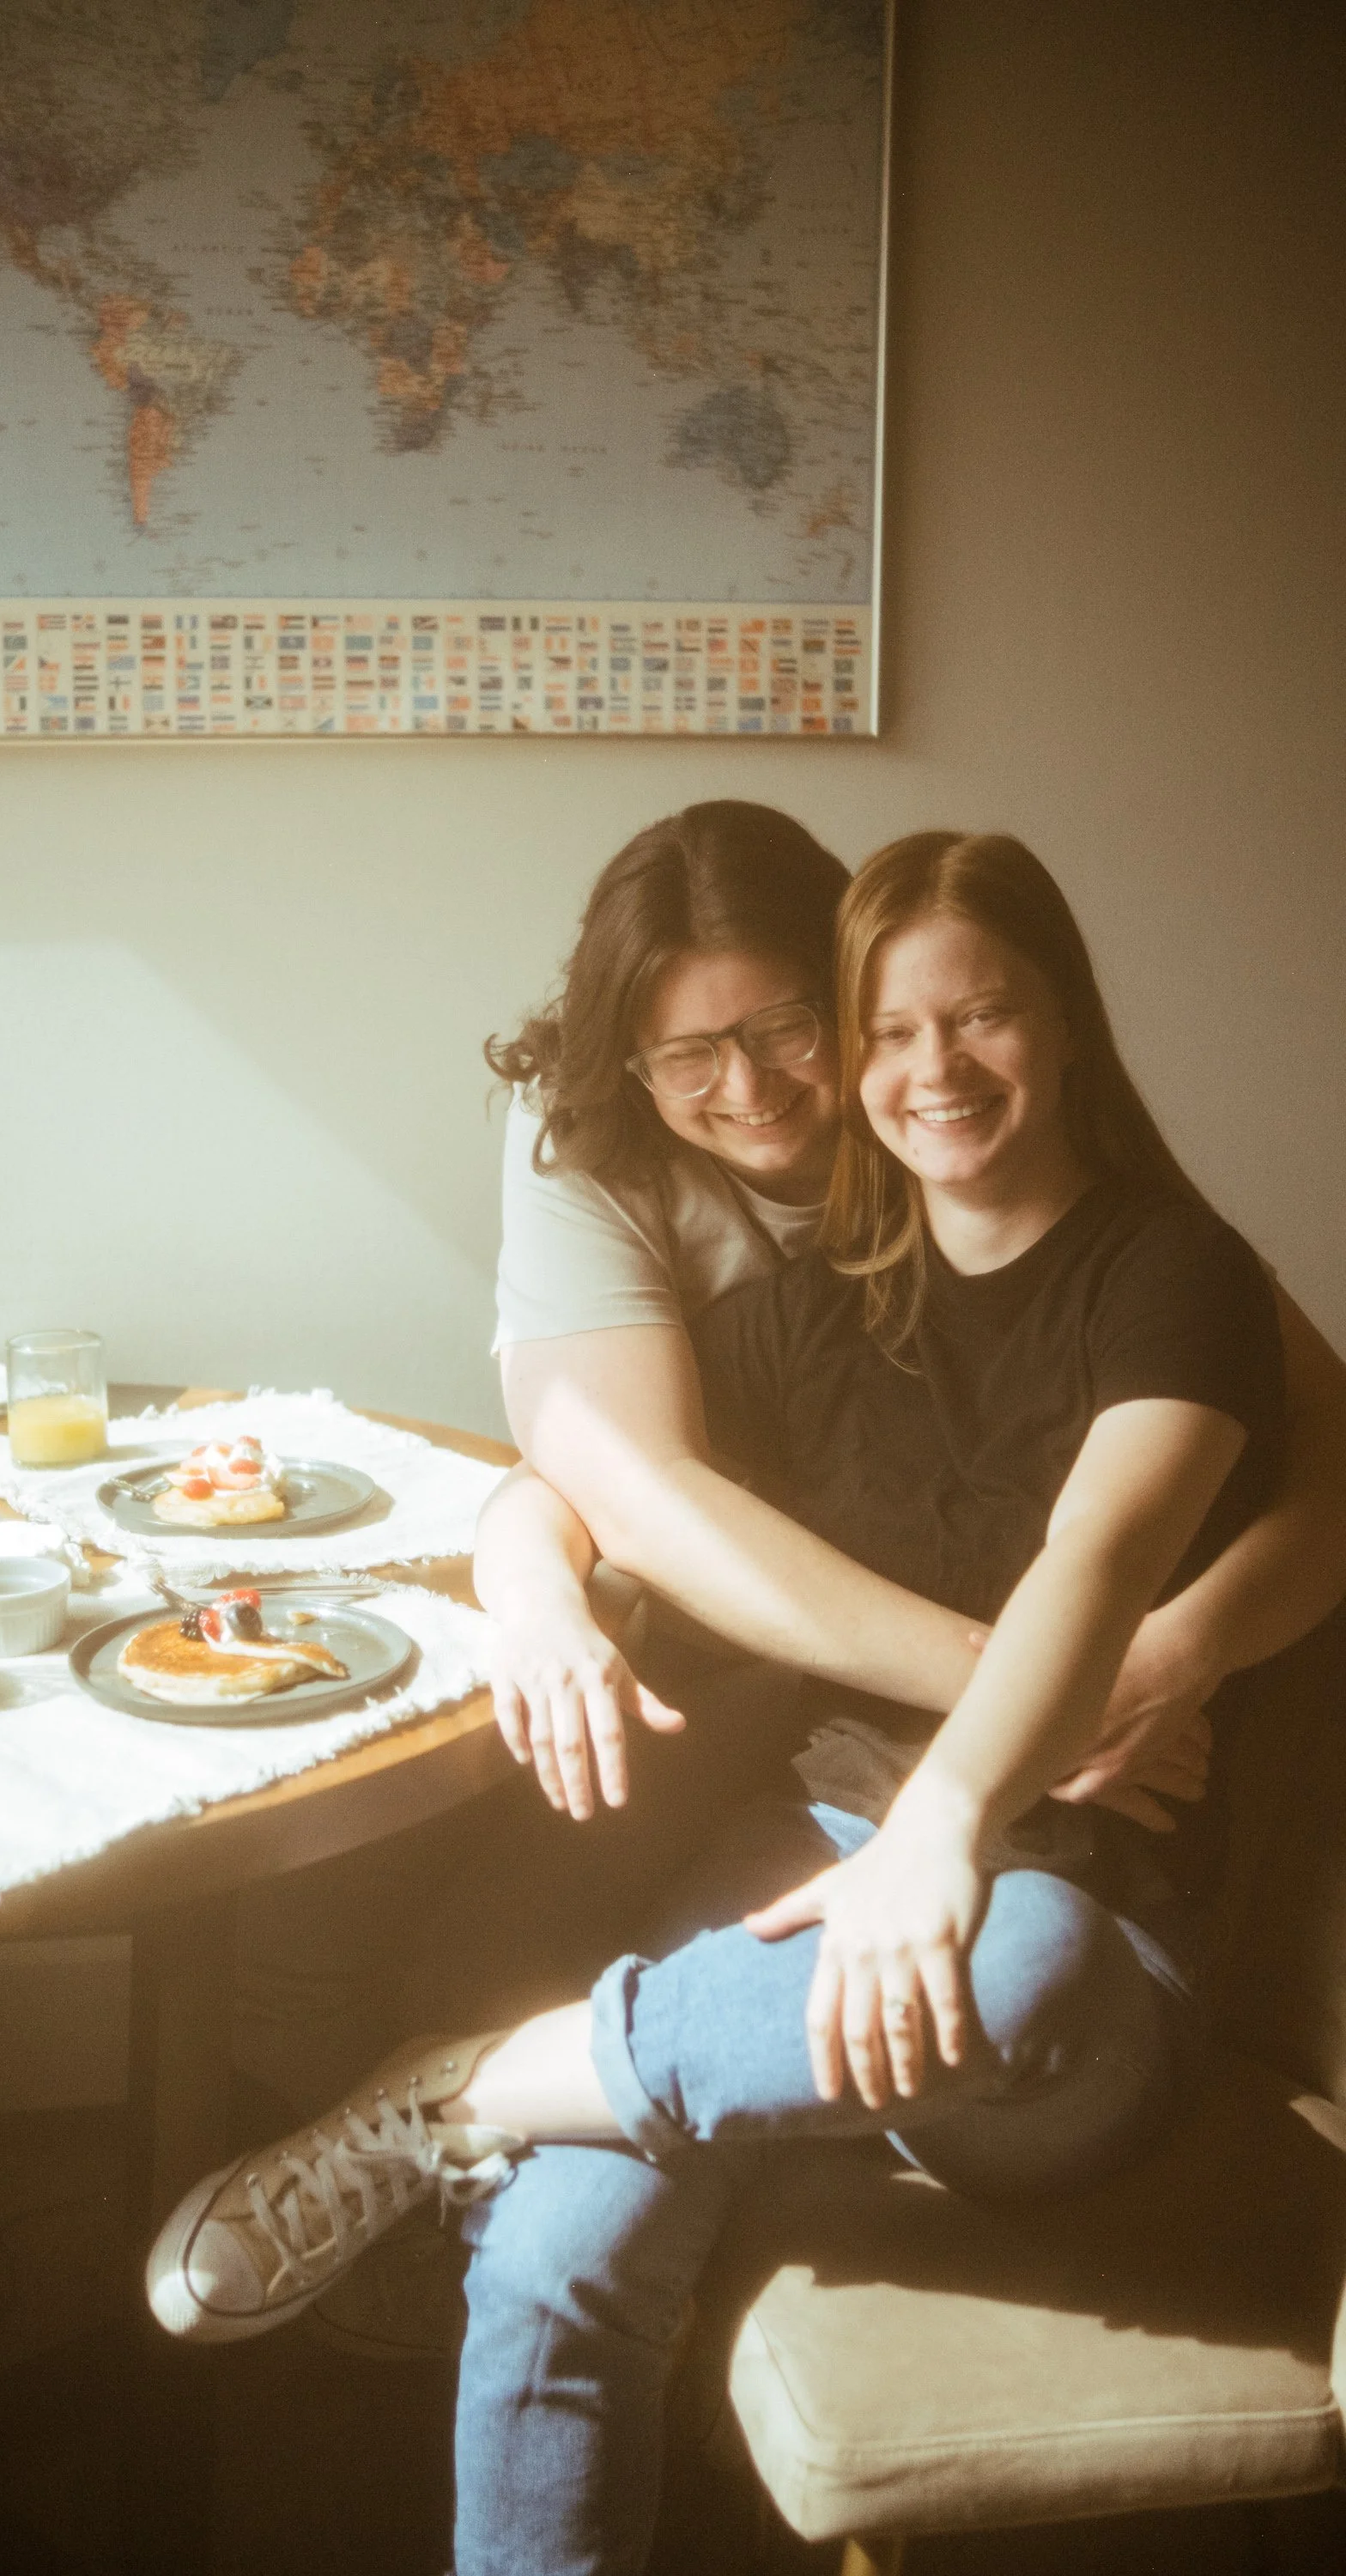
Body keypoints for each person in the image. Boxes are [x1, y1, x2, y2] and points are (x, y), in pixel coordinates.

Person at [145, 830, 1332, 2576]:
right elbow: (593, 1475)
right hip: (800, 1864)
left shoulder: (1173, 1278)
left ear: (1063, 1025)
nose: (932, 1070)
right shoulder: (831, 1304)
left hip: (1083, 1916)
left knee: (1021, 1967)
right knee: (560, 2249)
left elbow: (1097, 1552)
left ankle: (471, 2083)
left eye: (980, 1018)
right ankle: (530, 2104)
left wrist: (957, 1817)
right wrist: (532, 1575)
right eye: (894, 1034)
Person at [477, 802, 1346, 1832]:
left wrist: (1176, 1646)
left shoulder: (1110, 1235)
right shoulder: (618, 1151)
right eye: (687, 1054)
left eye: (787, 1030)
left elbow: (1309, 1426)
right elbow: (600, 1475)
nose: (746, 1087)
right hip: (833, 1693)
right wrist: (533, 1599)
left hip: (1000, 1770)